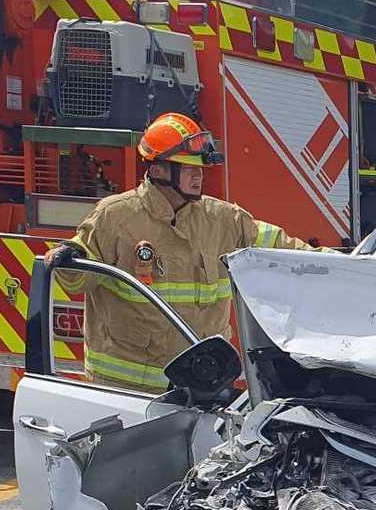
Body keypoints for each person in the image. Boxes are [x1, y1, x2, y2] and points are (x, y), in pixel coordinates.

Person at [44, 111, 304, 393]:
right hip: (126, 393)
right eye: (189, 169)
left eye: (200, 169)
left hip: (202, 389)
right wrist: (69, 258)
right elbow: (80, 274)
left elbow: (278, 244)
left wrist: (339, 260)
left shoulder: (220, 219)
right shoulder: (117, 217)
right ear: (158, 171)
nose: (198, 176)